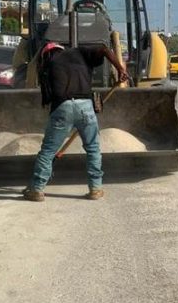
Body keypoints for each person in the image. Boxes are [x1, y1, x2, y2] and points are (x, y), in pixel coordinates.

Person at [22, 42, 129, 202]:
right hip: (86, 105)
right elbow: (104, 48)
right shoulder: (80, 53)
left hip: (63, 106)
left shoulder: (47, 66)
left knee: (47, 151)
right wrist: (120, 69)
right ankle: (96, 188)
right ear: (61, 49)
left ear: (46, 55)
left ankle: (36, 189)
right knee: (93, 148)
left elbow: (50, 100)